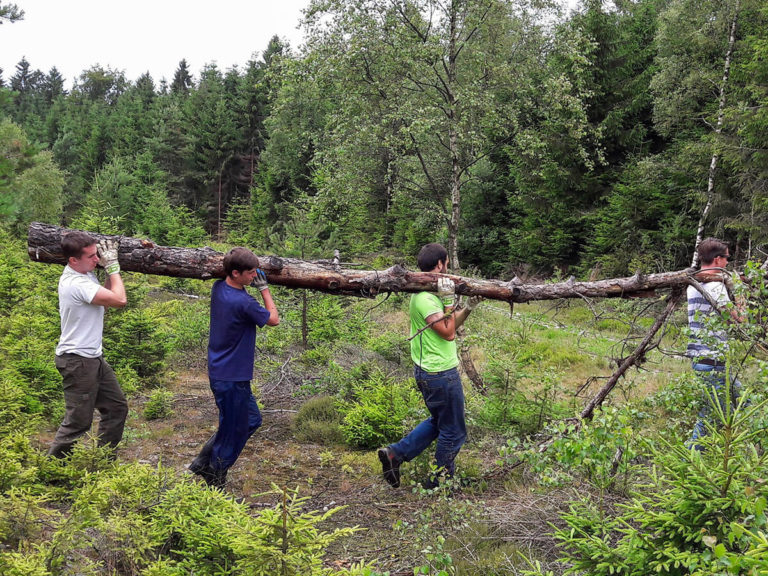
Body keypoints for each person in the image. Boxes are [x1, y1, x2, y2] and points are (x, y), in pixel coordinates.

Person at [378, 243, 481, 489]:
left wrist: (467, 308)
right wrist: (447, 302)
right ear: (439, 264)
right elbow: (448, 333)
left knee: (439, 421)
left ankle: (395, 454)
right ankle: (439, 483)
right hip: (439, 374)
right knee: (454, 431)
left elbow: (450, 324)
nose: (447, 267)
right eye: (446, 262)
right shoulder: (425, 299)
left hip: (433, 372)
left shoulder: (427, 293)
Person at [189, 247, 279, 488]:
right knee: (236, 427)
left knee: (249, 420)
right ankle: (215, 475)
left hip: (225, 372)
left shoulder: (219, 288)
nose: (255, 276)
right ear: (236, 273)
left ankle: (203, 461)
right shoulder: (244, 302)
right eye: (251, 273)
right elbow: (273, 319)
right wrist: (264, 289)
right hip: (231, 376)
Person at [49, 232, 129, 458]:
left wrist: (105, 270)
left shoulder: (85, 275)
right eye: (93, 256)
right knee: (78, 423)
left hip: (93, 358)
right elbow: (120, 300)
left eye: (99, 255)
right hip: (77, 361)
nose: (98, 259)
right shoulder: (76, 283)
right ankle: (53, 472)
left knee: (116, 408)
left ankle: (102, 461)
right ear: (73, 260)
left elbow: (106, 299)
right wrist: (113, 268)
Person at [686, 237, 743, 449]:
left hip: (702, 359)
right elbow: (738, 318)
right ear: (718, 259)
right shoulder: (715, 288)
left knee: (744, 401)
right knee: (710, 414)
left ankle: (736, 447)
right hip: (713, 360)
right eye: (727, 258)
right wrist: (739, 292)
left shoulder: (692, 285)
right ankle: (692, 459)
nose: (728, 262)